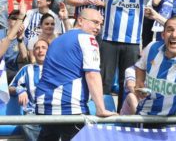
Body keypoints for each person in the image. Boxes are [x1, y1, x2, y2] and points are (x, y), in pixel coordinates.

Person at [35, 9, 117, 140]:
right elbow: (92, 74)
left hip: (44, 105)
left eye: (100, 24)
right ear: (80, 20)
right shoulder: (87, 38)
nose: (98, 28)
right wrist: (101, 108)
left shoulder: (57, 40)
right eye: (95, 22)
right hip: (69, 106)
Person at [95, 0, 165, 111]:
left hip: (132, 44)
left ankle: (123, 114)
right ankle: (103, 111)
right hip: (109, 42)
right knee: (105, 81)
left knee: (127, 82)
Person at [9, 39, 49, 141]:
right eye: (37, 48)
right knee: (26, 123)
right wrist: (20, 90)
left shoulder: (58, 69)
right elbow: (10, 87)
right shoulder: (26, 69)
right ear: (33, 52)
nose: (40, 50)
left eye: (44, 48)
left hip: (54, 112)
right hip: (33, 114)